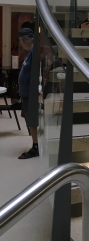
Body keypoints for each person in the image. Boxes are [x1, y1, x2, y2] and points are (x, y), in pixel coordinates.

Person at [17, 27, 39, 159]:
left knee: (31, 120)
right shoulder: (30, 53)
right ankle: (35, 143)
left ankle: (35, 146)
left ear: (25, 40)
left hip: (31, 94)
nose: (20, 44)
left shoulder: (34, 53)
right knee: (29, 119)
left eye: (20, 41)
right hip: (26, 93)